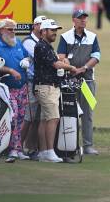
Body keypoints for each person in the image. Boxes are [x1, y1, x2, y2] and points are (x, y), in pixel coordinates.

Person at [57, 9, 101, 155]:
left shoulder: (92, 37)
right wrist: (70, 66)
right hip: (69, 81)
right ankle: (71, 145)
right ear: (74, 20)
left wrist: (83, 68)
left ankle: (88, 145)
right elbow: (61, 56)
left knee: (87, 113)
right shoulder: (65, 36)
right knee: (70, 112)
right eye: (80, 18)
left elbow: (96, 56)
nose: (83, 20)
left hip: (87, 80)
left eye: (85, 18)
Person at [33, 19, 77, 163]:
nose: (55, 33)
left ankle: (44, 152)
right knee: (53, 118)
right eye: (52, 30)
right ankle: (49, 152)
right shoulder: (41, 46)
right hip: (46, 86)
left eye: (55, 30)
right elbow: (55, 64)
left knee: (45, 120)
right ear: (43, 31)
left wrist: (63, 62)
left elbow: (57, 61)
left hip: (49, 86)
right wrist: (70, 68)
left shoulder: (47, 46)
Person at [0, 18, 29, 162]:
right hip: (5, 88)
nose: (13, 32)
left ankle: (17, 147)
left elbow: (27, 56)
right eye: (10, 29)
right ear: (2, 30)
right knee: (13, 116)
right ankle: (11, 149)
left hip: (22, 87)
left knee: (21, 117)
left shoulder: (17, 43)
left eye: (14, 29)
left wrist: (26, 61)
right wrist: (10, 70)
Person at [20, 15, 47, 160]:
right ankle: (18, 147)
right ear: (35, 26)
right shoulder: (29, 42)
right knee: (28, 117)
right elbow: (42, 59)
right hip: (31, 83)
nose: (43, 28)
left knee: (36, 118)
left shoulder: (42, 41)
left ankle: (31, 148)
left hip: (40, 82)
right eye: (40, 25)